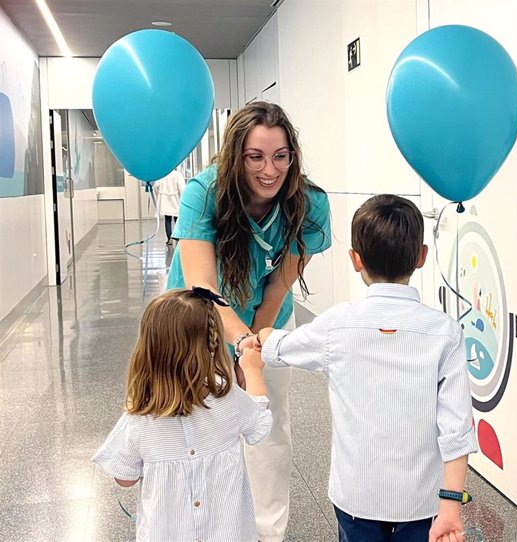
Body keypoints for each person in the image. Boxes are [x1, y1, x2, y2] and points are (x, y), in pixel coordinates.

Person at [242, 194, 478, 542]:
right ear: (421, 257)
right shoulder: (445, 332)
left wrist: (260, 334)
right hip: (422, 501)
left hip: (355, 496)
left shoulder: (337, 325)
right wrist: (452, 507)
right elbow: (457, 428)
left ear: (356, 259)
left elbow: (276, 347)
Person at [166, 101, 332, 542]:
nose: (269, 170)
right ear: (236, 154)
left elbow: (279, 287)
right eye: (255, 157)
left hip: (266, 315)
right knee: (195, 420)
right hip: (195, 317)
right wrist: (240, 346)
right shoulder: (204, 193)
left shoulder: (309, 203)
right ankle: (194, 526)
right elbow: (203, 288)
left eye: (280, 157)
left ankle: (267, 532)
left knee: (267, 422)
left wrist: (254, 346)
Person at [92, 287, 272, 542]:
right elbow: (260, 424)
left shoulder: (139, 417)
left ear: (148, 352)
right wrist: (252, 369)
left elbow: (124, 478)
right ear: (212, 346)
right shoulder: (226, 397)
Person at [153, 167, 186, 245]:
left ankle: (169, 238)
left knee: (167, 220)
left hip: (165, 201)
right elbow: (182, 188)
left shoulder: (162, 175)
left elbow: (155, 186)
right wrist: (183, 199)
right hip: (176, 200)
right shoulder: (178, 175)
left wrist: (159, 195)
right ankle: (177, 236)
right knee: (177, 219)